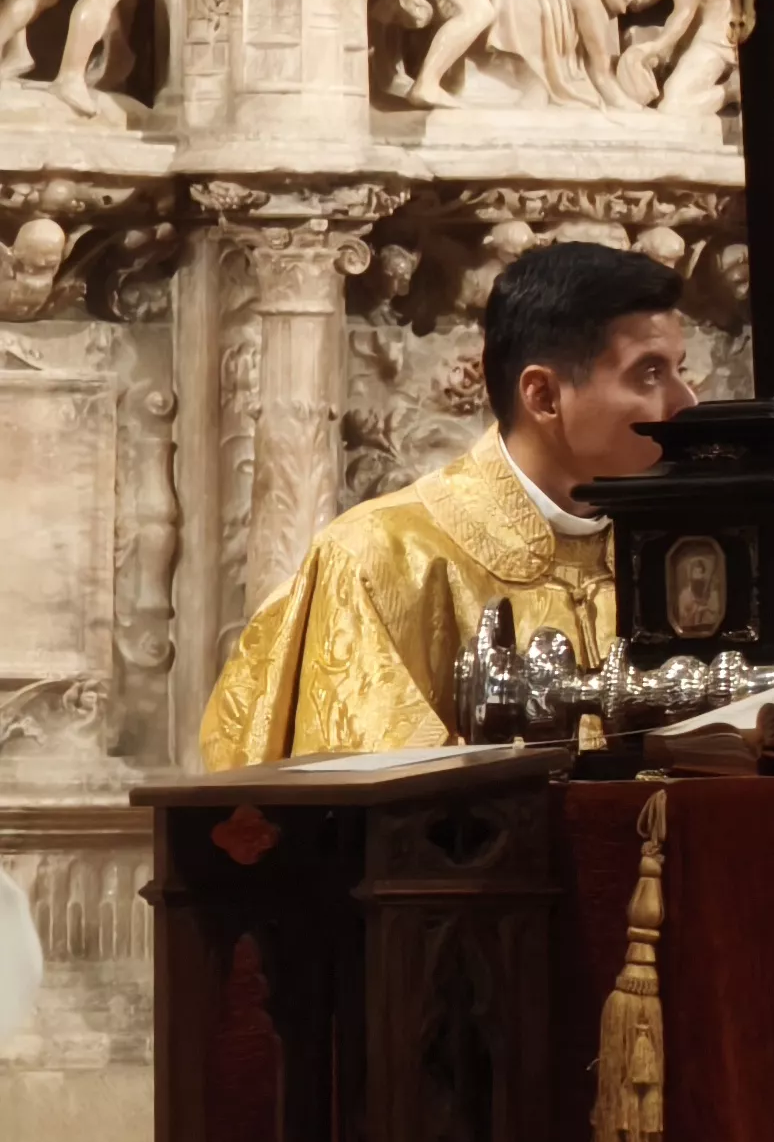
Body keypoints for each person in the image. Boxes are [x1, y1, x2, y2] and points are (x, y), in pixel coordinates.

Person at [201, 244, 698, 765]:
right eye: (649, 374)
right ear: (544, 396)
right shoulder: (382, 560)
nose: (684, 403)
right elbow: (384, 808)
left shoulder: (679, 554)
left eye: (678, 370)